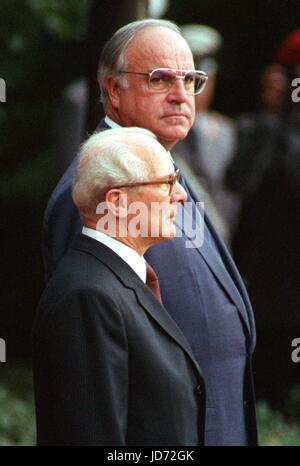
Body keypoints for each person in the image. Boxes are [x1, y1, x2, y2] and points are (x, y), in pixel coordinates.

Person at [42, 19, 257, 446]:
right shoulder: (95, 186)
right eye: (160, 79)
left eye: (190, 80)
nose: (181, 95)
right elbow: (88, 369)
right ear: (114, 90)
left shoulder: (164, 166)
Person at [33, 127, 207, 446]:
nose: (181, 194)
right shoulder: (88, 296)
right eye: (167, 182)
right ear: (118, 201)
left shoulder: (112, 281)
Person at [226, 29, 300, 410]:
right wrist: (273, 116)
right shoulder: (263, 128)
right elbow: (239, 181)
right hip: (271, 290)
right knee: (268, 398)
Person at [175, 24, 239, 243]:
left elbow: (229, 192)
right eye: (191, 79)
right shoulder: (163, 124)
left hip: (219, 236)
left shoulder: (225, 129)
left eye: (203, 80)